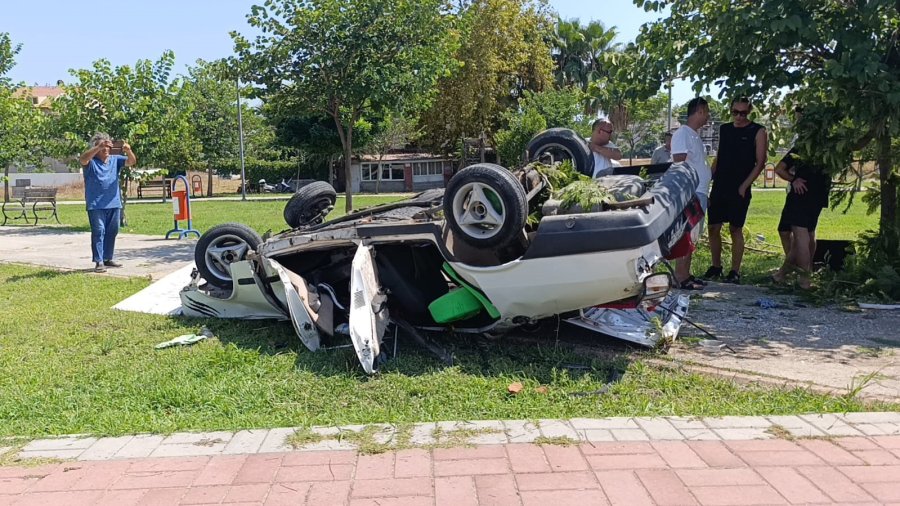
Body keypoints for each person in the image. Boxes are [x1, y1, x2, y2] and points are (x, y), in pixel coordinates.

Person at [703, 97, 768, 284]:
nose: (739, 116)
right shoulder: (725, 129)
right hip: (720, 184)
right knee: (713, 227)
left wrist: (744, 185)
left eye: (743, 113)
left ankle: (735, 271)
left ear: (749, 112)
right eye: (735, 112)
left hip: (740, 186)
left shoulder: (758, 131)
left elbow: (760, 163)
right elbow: (719, 157)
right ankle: (716, 267)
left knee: (735, 228)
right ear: (731, 111)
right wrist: (708, 179)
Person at [771, 121, 830, 290]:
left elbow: (779, 169)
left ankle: (804, 279)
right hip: (819, 194)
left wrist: (793, 179)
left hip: (801, 193)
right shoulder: (828, 147)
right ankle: (784, 274)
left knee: (801, 237)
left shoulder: (803, 147)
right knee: (810, 234)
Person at [79, 133, 137, 273]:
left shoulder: (114, 160)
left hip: (114, 203)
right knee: (99, 231)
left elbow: (131, 162)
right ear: (97, 148)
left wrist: (128, 150)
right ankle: (98, 261)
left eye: (107, 147)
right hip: (96, 204)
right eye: (103, 147)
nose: (106, 149)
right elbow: (83, 159)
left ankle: (107, 258)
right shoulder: (91, 162)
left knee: (113, 231)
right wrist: (99, 145)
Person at [671, 97, 712, 290]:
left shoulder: (695, 135)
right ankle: (680, 275)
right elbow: (679, 161)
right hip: (691, 192)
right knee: (686, 233)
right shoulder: (682, 133)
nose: (708, 116)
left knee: (694, 235)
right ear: (700, 111)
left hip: (700, 191)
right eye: (707, 112)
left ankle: (686, 273)